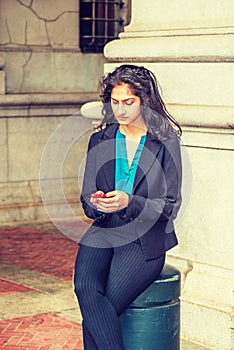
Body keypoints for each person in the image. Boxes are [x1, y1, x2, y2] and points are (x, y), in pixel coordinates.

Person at [74, 64, 182, 350]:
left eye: (128, 102)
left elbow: (170, 206)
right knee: (85, 289)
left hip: (145, 239)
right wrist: (97, 204)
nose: (120, 110)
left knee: (100, 309)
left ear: (144, 101)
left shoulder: (166, 142)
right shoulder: (101, 138)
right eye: (115, 102)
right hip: (105, 228)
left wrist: (129, 202)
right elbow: (86, 198)